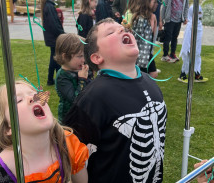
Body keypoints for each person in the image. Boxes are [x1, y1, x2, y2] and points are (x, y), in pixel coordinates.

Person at [62, 18, 167, 183]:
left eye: (122, 28)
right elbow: (71, 151)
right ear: (96, 57)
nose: (122, 30)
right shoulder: (93, 97)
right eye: (111, 32)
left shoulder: (150, 83)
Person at [0, 81, 89, 182]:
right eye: (18, 100)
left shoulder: (67, 143)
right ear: (7, 128)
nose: (33, 98)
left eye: (36, 94)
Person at [54, 33, 93, 122]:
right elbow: (76, 100)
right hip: (71, 120)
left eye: (84, 55)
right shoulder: (62, 77)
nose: (83, 60)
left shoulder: (78, 69)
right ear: (65, 56)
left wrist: (89, 74)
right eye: (79, 56)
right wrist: (82, 79)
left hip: (84, 115)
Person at [178, 5, 208, 83]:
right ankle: (183, 75)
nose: (200, 14)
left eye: (200, 12)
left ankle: (197, 75)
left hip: (197, 47)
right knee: (187, 59)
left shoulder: (199, 24)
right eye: (198, 13)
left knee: (197, 57)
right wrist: (187, 48)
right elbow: (187, 38)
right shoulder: (190, 25)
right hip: (189, 46)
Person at [130, 0, 159, 78]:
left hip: (142, 52)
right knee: (149, 75)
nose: (157, 4)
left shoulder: (136, 16)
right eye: (154, 2)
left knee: (148, 74)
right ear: (147, 3)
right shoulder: (150, 17)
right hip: (143, 54)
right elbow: (152, 34)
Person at [41, 0, 65, 86]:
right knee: (55, 58)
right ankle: (52, 79)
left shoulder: (49, 5)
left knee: (55, 58)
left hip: (53, 37)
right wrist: (62, 33)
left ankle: (53, 79)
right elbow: (53, 24)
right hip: (54, 37)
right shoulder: (49, 6)